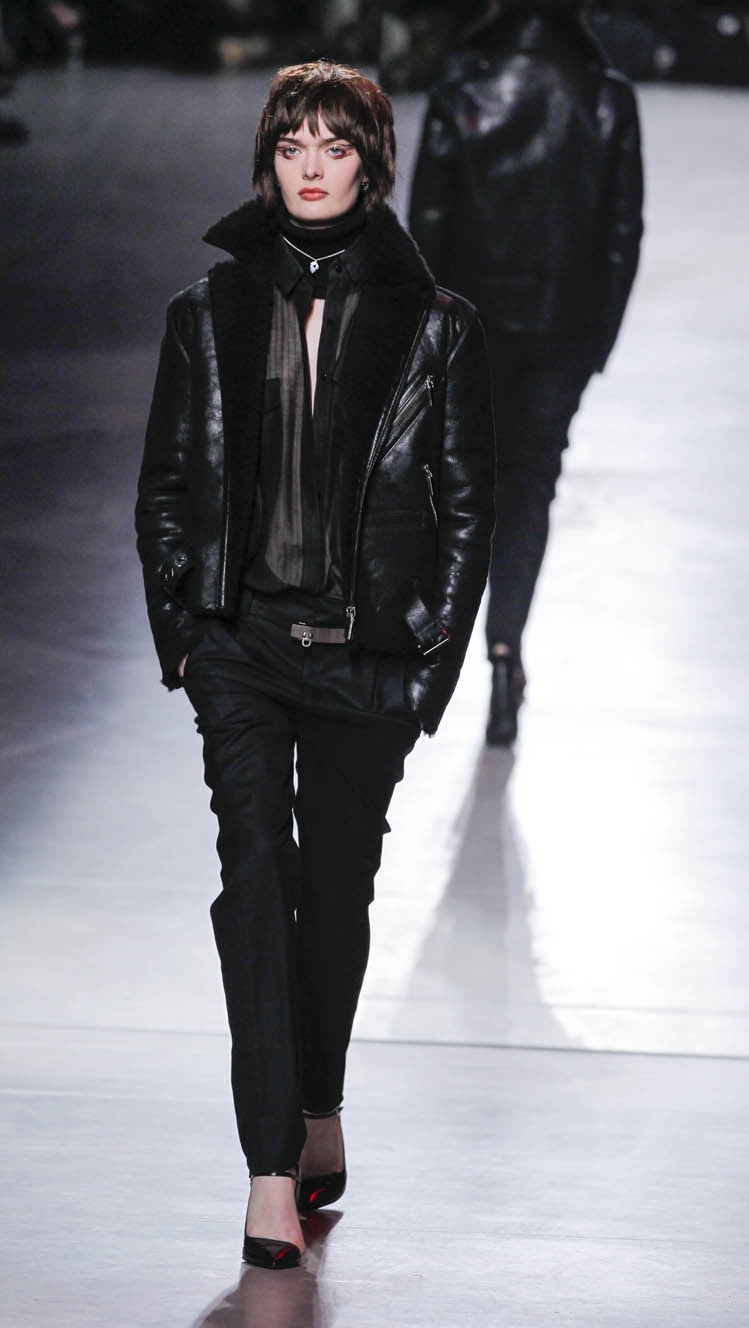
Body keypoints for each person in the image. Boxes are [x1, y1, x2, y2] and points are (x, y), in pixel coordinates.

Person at [135, 60, 495, 1270]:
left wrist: (426, 665)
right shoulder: (206, 313)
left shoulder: (438, 325)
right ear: (267, 158)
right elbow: (165, 486)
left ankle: (321, 1096)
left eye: (335, 144)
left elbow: (468, 504)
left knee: (334, 895)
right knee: (254, 881)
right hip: (241, 645)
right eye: (291, 142)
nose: (310, 164)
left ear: (370, 163)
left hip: (365, 655)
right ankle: (269, 1168)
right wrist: (188, 636)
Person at [409, 0, 643, 745]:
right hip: (562, 330)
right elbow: (621, 232)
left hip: (472, 329)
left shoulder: (460, 92)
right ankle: (505, 653)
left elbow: (428, 229)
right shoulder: (607, 99)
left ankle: (427, 650)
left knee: (467, 487)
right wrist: (597, 341)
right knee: (530, 488)